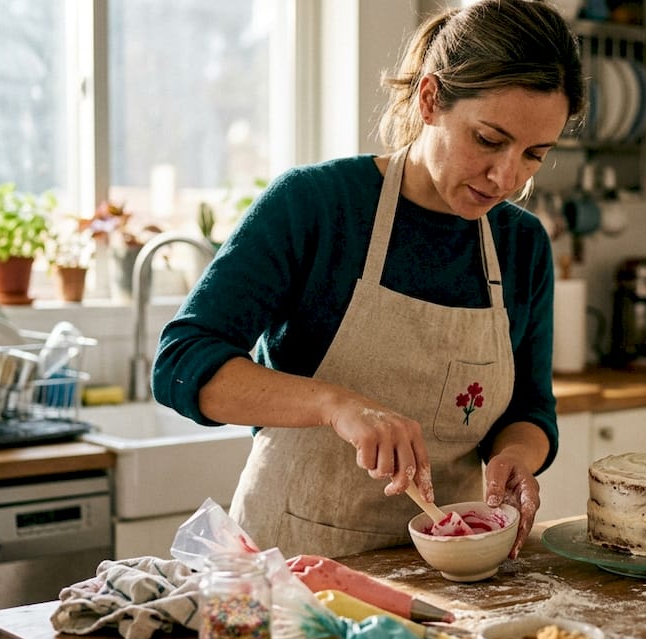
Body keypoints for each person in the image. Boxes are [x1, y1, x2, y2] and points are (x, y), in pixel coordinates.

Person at [151, 0, 585, 560]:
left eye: (534, 154)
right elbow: (181, 364)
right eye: (488, 139)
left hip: (446, 570)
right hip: (293, 566)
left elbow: (530, 408)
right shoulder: (316, 206)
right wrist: (337, 405)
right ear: (431, 100)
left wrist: (517, 457)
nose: (507, 176)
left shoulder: (521, 245)